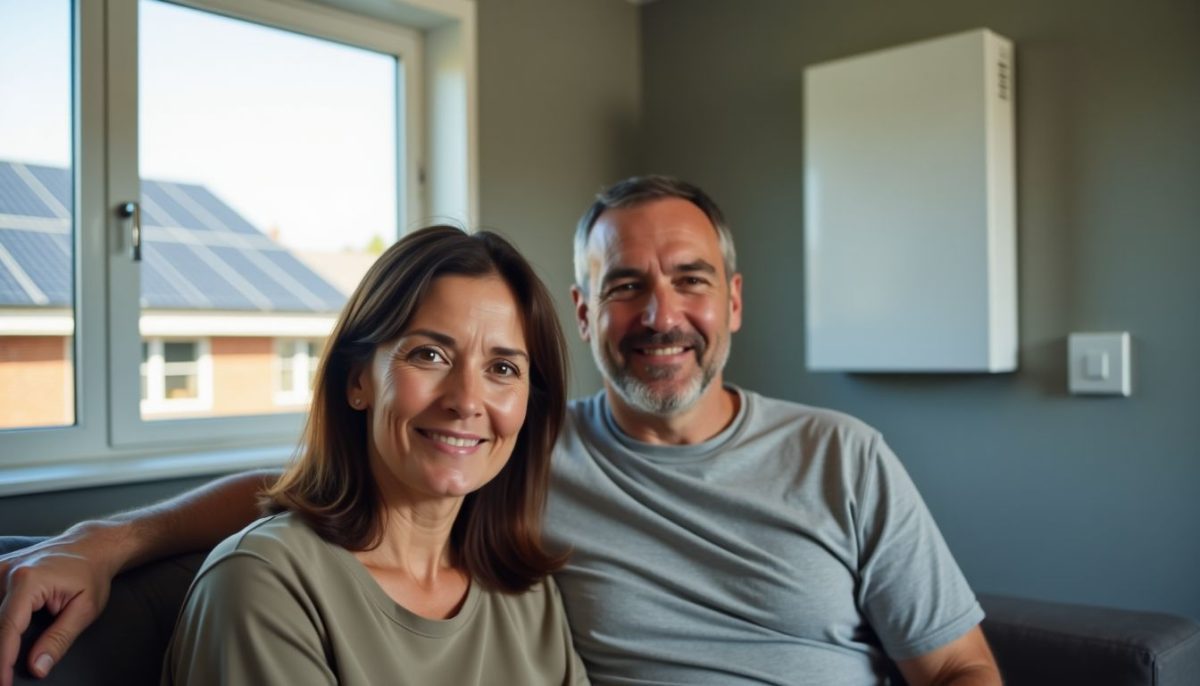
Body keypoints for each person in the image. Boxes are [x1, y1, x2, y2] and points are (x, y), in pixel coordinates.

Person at [0, 178, 1000, 685]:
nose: (660, 315)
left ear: (733, 301)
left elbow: (958, 667)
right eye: (624, 287)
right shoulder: (520, 460)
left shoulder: (844, 453)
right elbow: (317, 489)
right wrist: (108, 538)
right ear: (584, 311)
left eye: (690, 280)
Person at [169, 225, 586, 684]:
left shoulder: (526, 593)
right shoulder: (261, 584)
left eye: (502, 368)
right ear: (357, 381)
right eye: (429, 355)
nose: (467, 400)